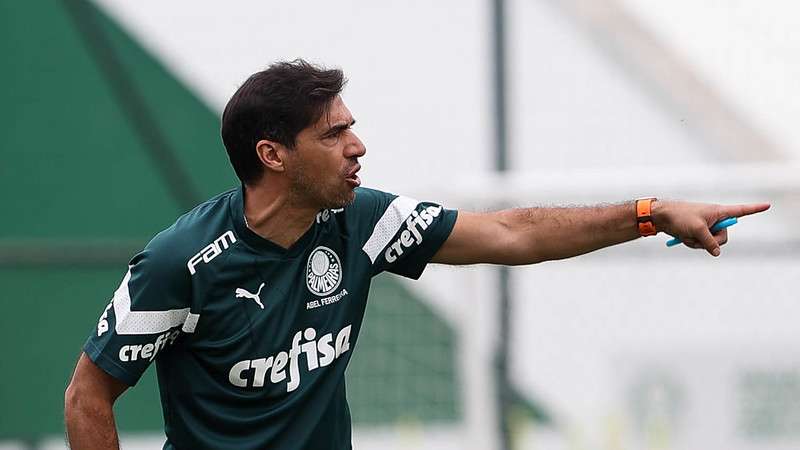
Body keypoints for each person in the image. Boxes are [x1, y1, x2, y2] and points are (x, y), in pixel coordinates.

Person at [64, 59, 770, 450]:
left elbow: (513, 232)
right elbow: (86, 399)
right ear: (272, 155)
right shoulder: (180, 262)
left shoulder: (363, 221)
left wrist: (648, 213)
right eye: (333, 134)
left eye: (354, 127)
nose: (358, 146)